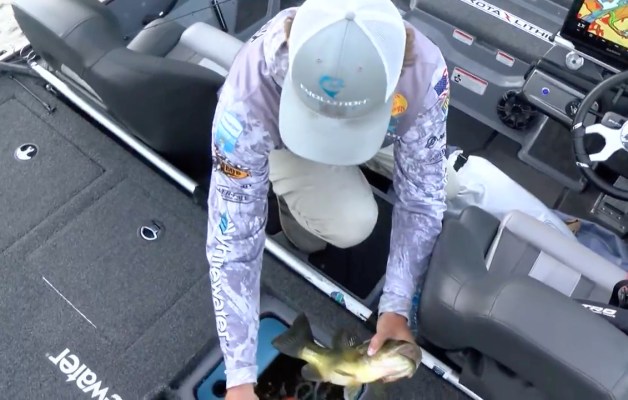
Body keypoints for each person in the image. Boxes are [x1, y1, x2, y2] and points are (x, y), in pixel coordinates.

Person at [205, 0, 451, 399]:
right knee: (352, 222)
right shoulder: (247, 100)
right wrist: (240, 378)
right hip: (290, 138)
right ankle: (292, 209)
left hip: (388, 124)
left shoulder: (425, 73)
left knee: (453, 184)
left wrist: (396, 307)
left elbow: (423, 199)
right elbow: (232, 243)